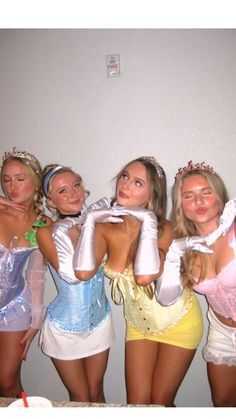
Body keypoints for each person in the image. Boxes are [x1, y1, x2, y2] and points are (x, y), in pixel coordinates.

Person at [72, 156, 204, 406]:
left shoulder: (166, 229)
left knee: (161, 402)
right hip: (138, 326)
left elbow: (144, 277)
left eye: (137, 183)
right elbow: (83, 273)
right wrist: (90, 220)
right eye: (124, 176)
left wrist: (148, 220)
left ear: (151, 194)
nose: (125, 185)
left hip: (178, 321)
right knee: (138, 404)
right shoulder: (105, 228)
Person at [36, 164, 114, 402]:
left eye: (76, 185)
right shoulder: (45, 232)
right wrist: (74, 233)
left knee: (97, 392)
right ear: (50, 202)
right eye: (62, 191)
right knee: (80, 398)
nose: (73, 193)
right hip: (64, 331)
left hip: (99, 322)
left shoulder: (98, 224)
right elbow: (71, 275)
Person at [170, 161, 236, 407]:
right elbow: (166, 296)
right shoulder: (183, 247)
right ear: (181, 206)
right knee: (222, 403)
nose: (198, 201)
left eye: (206, 192)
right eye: (189, 196)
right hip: (221, 332)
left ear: (219, 196)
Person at [0, 148, 49, 397]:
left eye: (20, 178)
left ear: (36, 182)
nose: (11, 187)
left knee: (7, 383)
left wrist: (36, 320)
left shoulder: (42, 223)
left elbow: (36, 276)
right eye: (6, 179)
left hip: (14, 306)